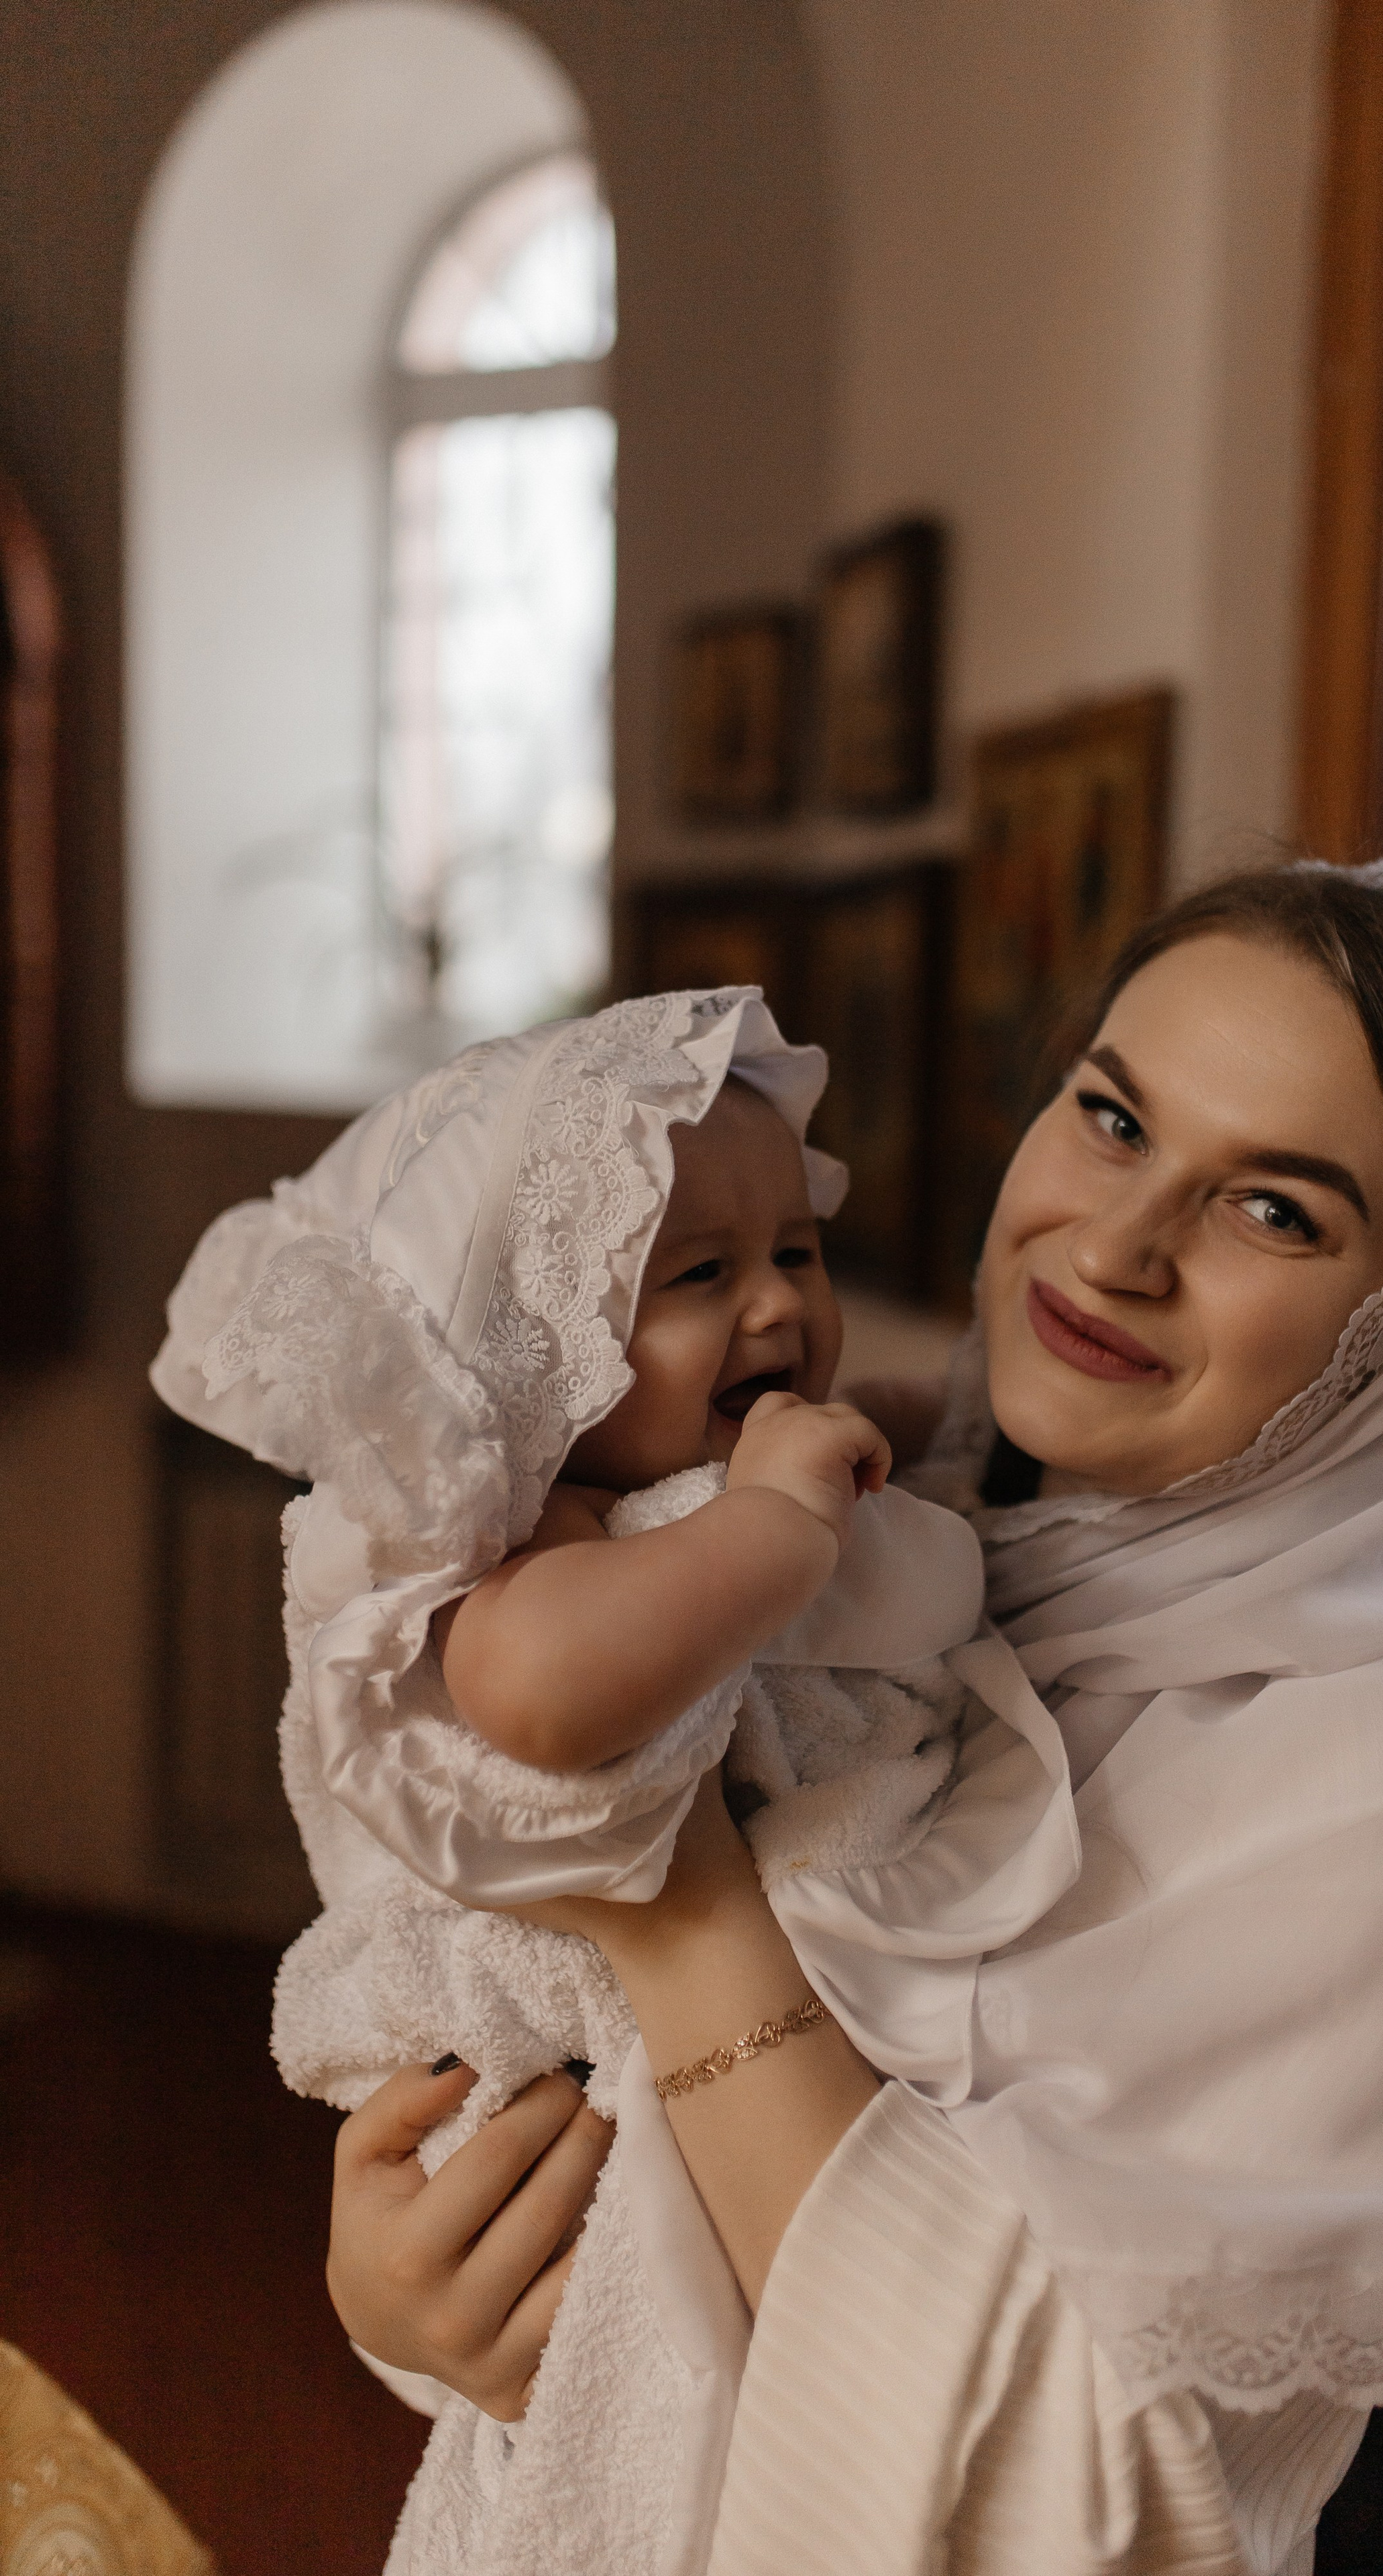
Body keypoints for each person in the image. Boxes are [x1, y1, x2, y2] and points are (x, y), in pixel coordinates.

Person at [328, 861, 1383, 2576]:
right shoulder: (913, 1523)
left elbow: (1093, 2517)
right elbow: (639, 2211)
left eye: (1273, 1211)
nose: (1117, 1247)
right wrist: (438, 2302)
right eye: (1113, 1118)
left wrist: (676, 1913)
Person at [151, 989, 1214, 2576]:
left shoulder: (746, 1468)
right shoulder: (546, 1537)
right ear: (533, 1354)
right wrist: (773, 1528)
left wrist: (899, 1435)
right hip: (616, 2080)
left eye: (797, 1249)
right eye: (697, 1275)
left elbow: (930, 1440)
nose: (778, 1304)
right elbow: (536, 1694)